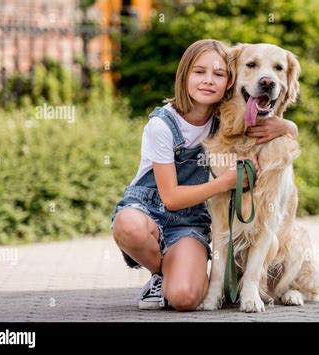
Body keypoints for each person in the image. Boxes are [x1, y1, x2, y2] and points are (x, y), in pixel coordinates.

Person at [110, 39, 298, 312]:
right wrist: (225, 182)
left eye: (219, 74)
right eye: (199, 72)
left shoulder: (226, 120)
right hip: (151, 210)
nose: (209, 80)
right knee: (128, 225)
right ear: (183, 75)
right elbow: (171, 197)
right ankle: (161, 273)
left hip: (189, 224)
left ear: (229, 80)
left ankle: (178, 275)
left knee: (185, 298)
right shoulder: (162, 125)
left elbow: (259, 117)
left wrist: (287, 126)